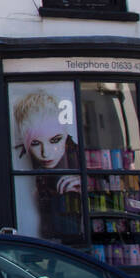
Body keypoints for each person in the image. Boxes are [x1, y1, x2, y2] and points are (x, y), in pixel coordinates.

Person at [13, 90, 82, 241]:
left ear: (65, 134)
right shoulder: (23, 170)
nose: (46, 153)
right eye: (36, 143)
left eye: (55, 140)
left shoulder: (79, 162)